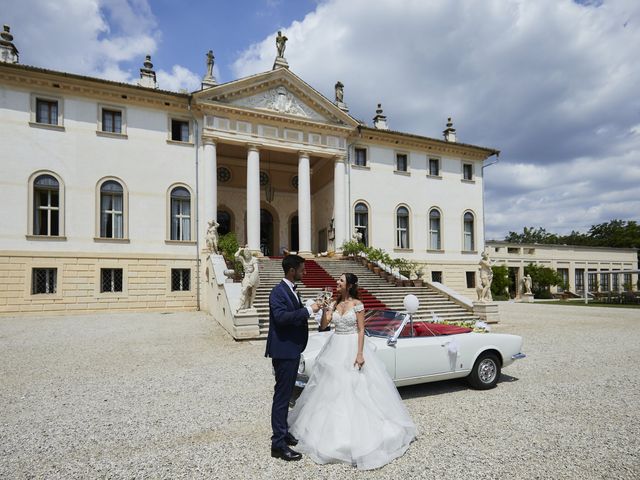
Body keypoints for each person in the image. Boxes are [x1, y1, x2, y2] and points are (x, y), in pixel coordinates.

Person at [288, 273, 416, 470]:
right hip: (335, 346)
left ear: (349, 285)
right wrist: (324, 309)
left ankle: (360, 438)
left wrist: (359, 353)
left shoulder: (357, 304)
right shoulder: (333, 302)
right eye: (337, 280)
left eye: (340, 280)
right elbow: (324, 326)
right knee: (330, 389)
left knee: (357, 388)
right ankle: (325, 433)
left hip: (351, 347)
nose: (337, 283)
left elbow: (361, 330)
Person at [265, 255, 321, 461]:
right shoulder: (277, 292)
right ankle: (277, 445)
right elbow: (281, 319)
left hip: (293, 350)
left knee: (288, 395)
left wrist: (309, 309)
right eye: (302, 269)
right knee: (281, 398)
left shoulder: (291, 290)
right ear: (291, 271)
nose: (304, 272)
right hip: (284, 351)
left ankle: (284, 432)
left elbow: (294, 315)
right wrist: (306, 311)